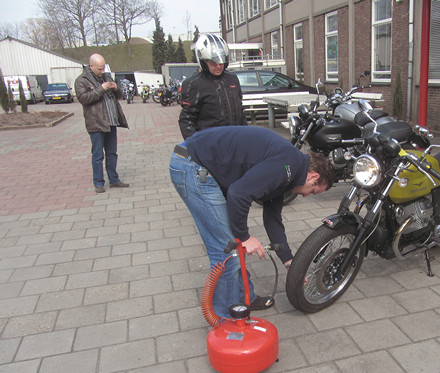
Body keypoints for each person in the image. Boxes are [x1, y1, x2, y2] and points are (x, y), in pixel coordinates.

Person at [169, 126, 335, 318]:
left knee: (235, 245)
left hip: (197, 162)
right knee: (228, 250)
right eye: (313, 191)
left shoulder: (291, 171)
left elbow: (272, 218)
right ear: (313, 176)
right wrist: (244, 236)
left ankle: (243, 299)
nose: (306, 196)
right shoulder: (287, 165)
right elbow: (239, 194)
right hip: (192, 165)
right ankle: (226, 321)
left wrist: (288, 260)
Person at [75, 53, 129, 193]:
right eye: (99, 69)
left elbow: (119, 96)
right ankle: (98, 183)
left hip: (111, 121)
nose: (102, 71)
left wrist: (116, 89)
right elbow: (84, 98)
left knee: (112, 153)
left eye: (103, 68)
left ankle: (114, 180)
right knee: (98, 155)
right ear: (91, 66)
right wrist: (101, 89)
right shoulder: (82, 80)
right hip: (96, 123)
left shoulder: (106, 77)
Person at [178, 33, 247, 140]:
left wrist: (246, 136)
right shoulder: (194, 84)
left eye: (221, 62)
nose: (218, 66)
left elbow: (241, 112)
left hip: (235, 141)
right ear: (204, 62)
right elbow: (187, 119)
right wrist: (195, 145)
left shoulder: (232, 79)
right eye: (213, 63)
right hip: (210, 144)